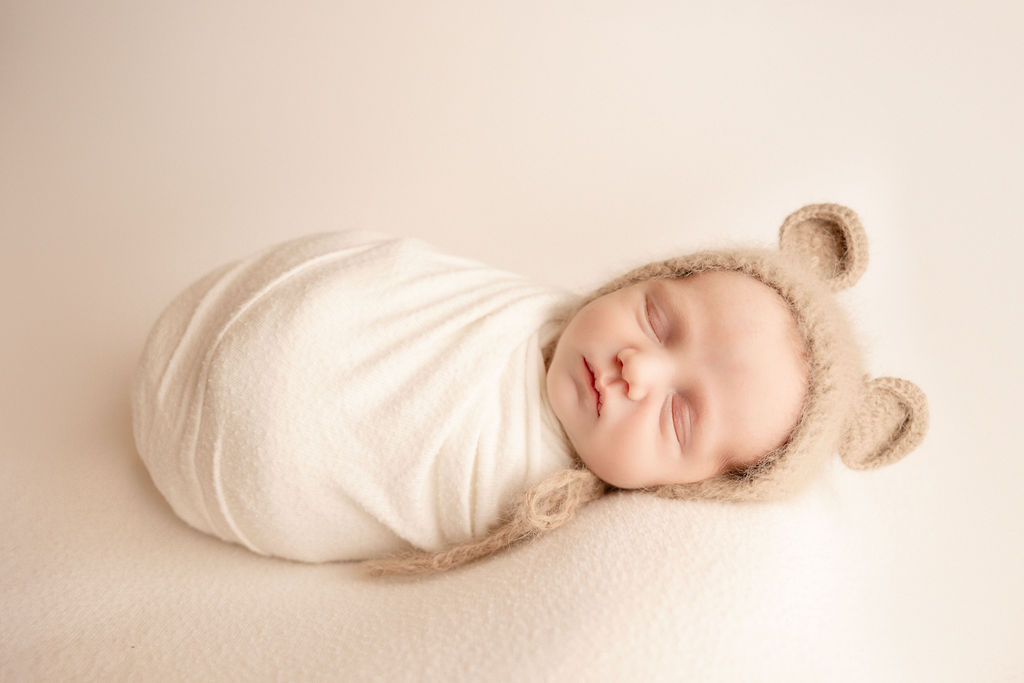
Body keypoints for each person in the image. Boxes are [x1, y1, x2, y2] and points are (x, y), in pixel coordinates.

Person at [131, 203, 928, 577]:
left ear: (693, 492)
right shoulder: (536, 312)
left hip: (223, 469)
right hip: (229, 309)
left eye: (679, 415)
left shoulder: (540, 501)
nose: (636, 368)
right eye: (656, 315)